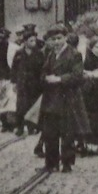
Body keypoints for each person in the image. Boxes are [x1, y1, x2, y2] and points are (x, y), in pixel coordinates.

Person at [38, 26, 90, 173]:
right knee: (50, 132)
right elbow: (43, 71)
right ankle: (51, 163)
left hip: (67, 98)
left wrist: (59, 79)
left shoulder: (74, 54)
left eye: (59, 38)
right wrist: (45, 78)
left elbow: (77, 75)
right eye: (53, 39)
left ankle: (66, 163)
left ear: (66, 38)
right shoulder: (50, 55)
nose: (56, 42)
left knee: (67, 132)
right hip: (51, 99)